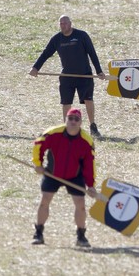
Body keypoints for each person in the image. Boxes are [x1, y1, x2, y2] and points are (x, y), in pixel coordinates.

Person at [29, 15, 106, 138]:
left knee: (88, 100)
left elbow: (92, 53)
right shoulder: (56, 39)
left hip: (84, 75)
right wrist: (35, 68)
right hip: (67, 76)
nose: (63, 26)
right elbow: (46, 54)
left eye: (65, 23)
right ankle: (67, 128)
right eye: (61, 24)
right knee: (66, 102)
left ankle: (93, 126)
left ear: (70, 23)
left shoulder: (82, 36)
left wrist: (99, 71)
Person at [31, 108, 98, 247]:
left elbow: (89, 164)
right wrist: (38, 164)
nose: (73, 121)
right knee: (45, 201)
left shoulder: (86, 141)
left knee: (80, 204)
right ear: (66, 119)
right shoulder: (53, 133)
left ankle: (81, 236)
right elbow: (39, 144)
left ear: (80, 122)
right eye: (70, 118)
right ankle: (38, 233)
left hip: (75, 176)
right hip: (53, 173)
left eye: (76, 119)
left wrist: (90, 185)